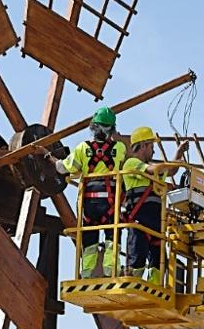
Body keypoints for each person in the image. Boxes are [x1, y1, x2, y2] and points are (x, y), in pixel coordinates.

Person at [58, 107, 125, 277]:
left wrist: (52, 160)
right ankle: (111, 271)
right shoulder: (119, 148)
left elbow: (64, 168)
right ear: (112, 128)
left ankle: (86, 273)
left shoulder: (82, 148)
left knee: (89, 241)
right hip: (110, 201)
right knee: (112, 237)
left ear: (93, 126)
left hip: (89, 203)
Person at [119, 127, 188, 284]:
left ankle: (153, 289)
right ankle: (131, 288)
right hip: (139, 224)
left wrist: (179, 153)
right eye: (151, 146)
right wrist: (173, 162)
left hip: (156, 225)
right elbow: (152, 169)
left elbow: (171, 170)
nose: (154, 151)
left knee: (158, 264)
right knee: (137, 261)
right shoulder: (131, 163)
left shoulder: (155, 171)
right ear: (143, 145)